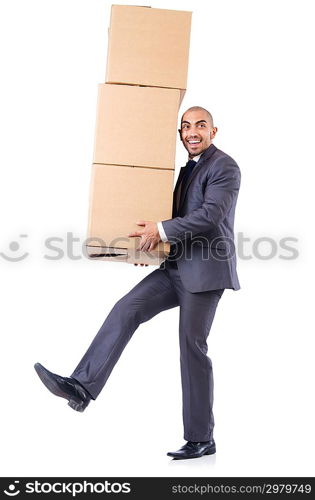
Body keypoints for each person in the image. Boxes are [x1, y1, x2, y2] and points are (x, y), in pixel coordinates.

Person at [34, 106, 241, 460]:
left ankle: (201, 438)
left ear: (214, 131)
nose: (192, 132)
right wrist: (149, 250)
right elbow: (176, 218)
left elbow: (210, 216)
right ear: (180, 134)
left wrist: (160, 230)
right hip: (175, 267)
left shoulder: (224, 166)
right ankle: (81, 387)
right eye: (186, 126)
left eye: (200, 126)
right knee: (126, 308)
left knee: (191, 348)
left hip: (205, 272)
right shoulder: (187, 170)